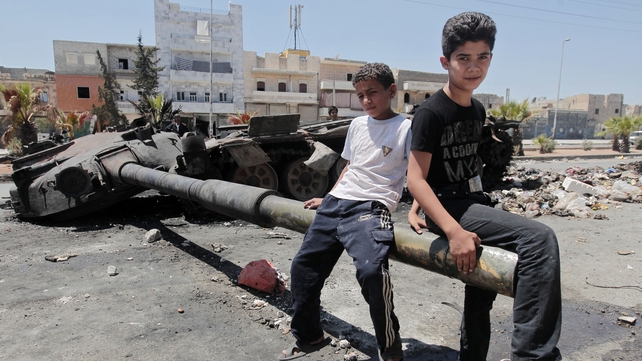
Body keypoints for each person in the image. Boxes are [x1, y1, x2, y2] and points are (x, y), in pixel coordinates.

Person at [406, 12, 562, 361]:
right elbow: (415, 178)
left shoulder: (476, 110)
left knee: (481, 289)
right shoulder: (432, 113)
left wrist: (422, 205)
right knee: (540, 239)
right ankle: (533, 355)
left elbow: (453, 170)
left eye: (483, 57)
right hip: (451, 210)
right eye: (464, 58)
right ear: (446, 62)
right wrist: (453, 230)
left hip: (470, 202)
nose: (473, 67)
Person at [281, 63, 411, 361]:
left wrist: (418, 209)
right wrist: (326, 197)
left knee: (371, 271)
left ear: (391, 91)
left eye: (373, 93)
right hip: (337, 202)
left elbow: (418, 174)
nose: (366, 100)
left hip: (370, 206)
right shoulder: (356, 125)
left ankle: (390, 349)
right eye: (361, 95)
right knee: (303, 268)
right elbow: (351, 167)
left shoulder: (405, 127)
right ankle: (310, 336)